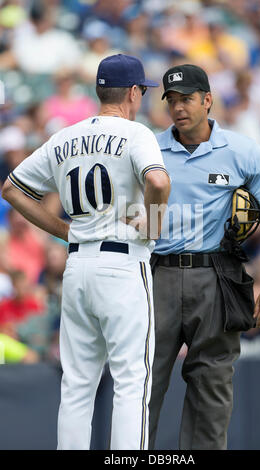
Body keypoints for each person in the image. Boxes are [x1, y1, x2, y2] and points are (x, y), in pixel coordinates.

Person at [2, 53, 170, 450]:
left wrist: (63, 230)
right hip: (123, 264)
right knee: (132, 381)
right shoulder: (136, 133)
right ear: (132, 92)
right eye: (141, 91)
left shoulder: (64, 136)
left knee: (77, 385)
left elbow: (11, 189)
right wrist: (155, 222)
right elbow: (159, 183)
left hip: (77, 265)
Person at [148, 63, 260, 450]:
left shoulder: (243, 151)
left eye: (187, 99)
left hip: (216, 277)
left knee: (212, 390)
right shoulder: (148, 148)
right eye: (171, 100)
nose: (178, 107)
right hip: (156, 275)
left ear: (207, 100)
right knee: (142, 385)